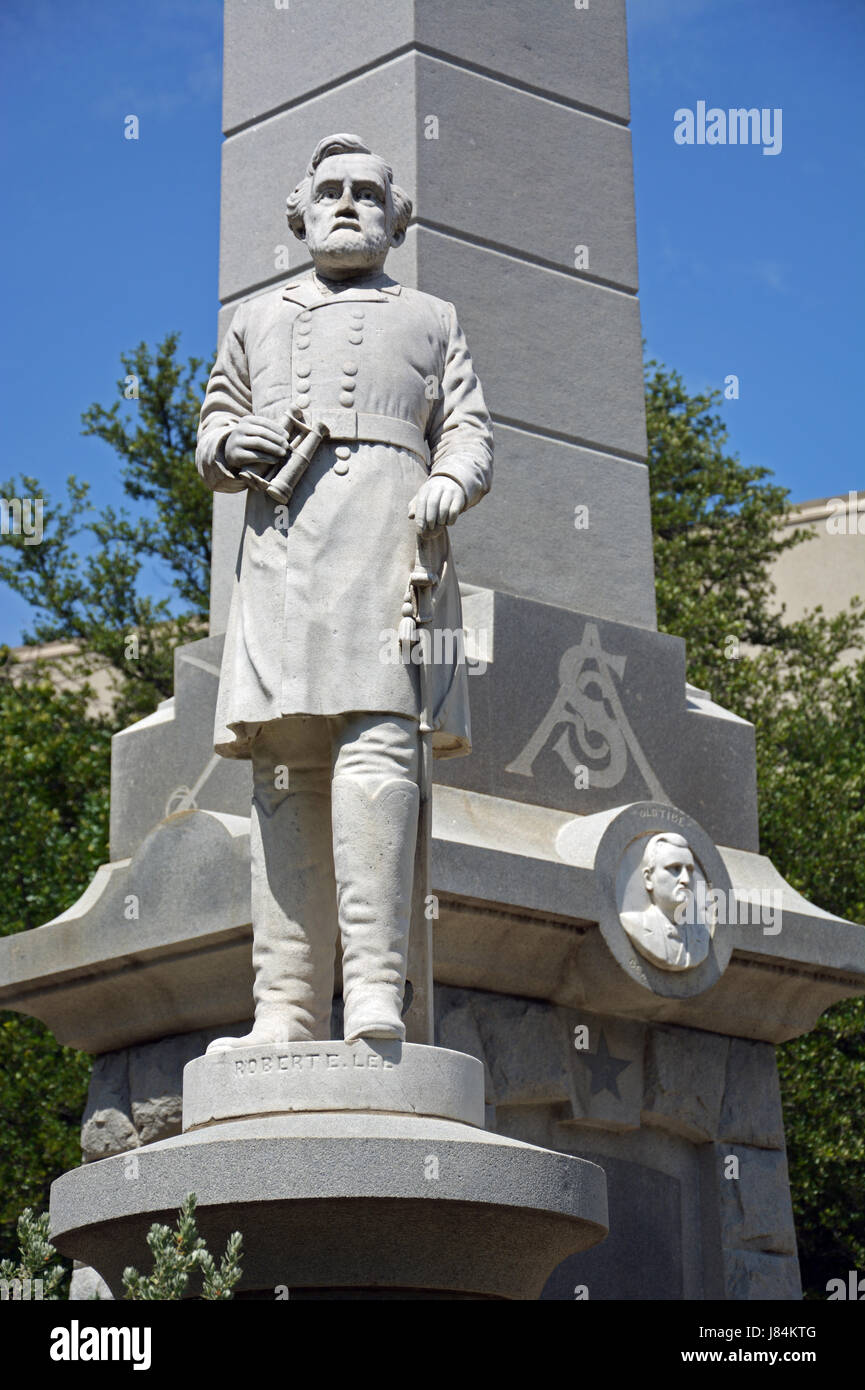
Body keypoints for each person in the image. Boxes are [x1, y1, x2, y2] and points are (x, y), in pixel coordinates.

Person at [196, 134, 492, 1047]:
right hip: (283, 564)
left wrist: (451, 480)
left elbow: (471, 433)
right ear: (301, 211)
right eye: (331, 191)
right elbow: (214, 422)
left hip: (388, 551)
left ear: (399, 219)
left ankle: (372, 990)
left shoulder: (433, 317)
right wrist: (226, 445)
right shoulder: (253, 318)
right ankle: (283, 1006)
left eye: (370, 192)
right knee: (285, 779)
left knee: (376, 762)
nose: (350, 203)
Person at [620, 832, 710, 972]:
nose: (685, 879)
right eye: (675, 868)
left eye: (690, 870)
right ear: (649, 879)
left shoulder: (702, 936)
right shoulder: (633, 923)